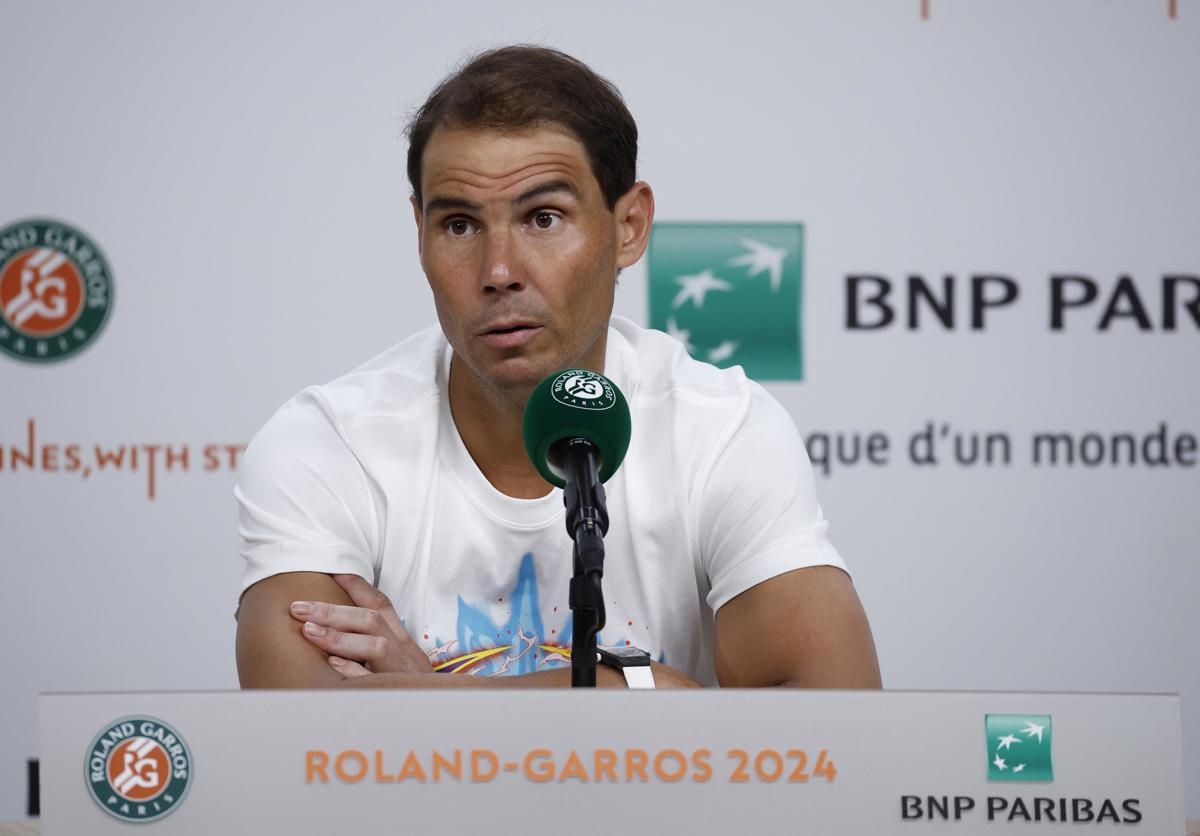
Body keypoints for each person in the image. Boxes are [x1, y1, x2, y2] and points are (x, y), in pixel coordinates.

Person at [234, 45, 881, 690]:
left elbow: (836, 716)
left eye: (543, 218)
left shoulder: (723, 431)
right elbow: (299, 736)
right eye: (459, 225)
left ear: (629, 226)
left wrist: (434, 698)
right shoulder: (328, 442)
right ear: (420, 230)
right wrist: (651, 691)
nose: (498, 272)